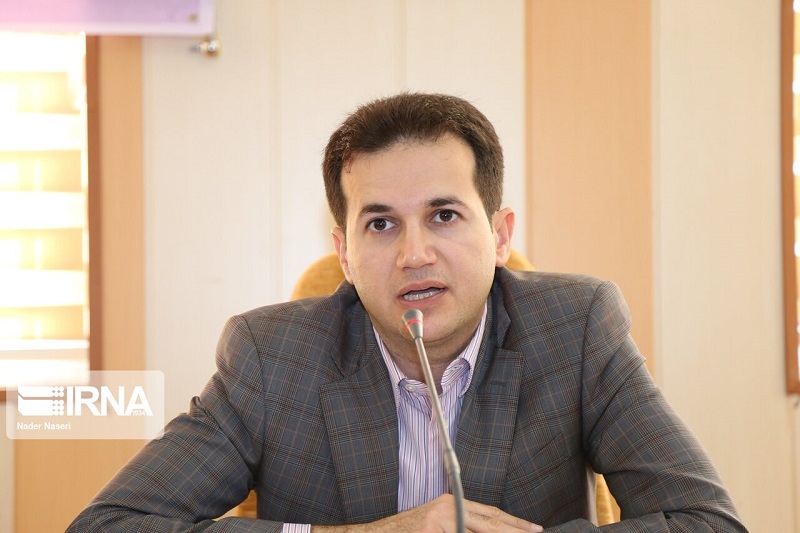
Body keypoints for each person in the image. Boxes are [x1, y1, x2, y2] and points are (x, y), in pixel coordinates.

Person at [67, 92, 746, 532]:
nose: (414, 254)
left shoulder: (577, 328)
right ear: (345, 251)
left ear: (500, 235)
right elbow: (110, 524)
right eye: (381, 224)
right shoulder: (272, 356)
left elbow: (707, 521)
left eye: (444, 215)